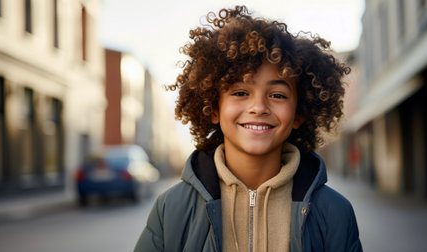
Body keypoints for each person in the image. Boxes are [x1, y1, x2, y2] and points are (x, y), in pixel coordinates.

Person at [134, 5, 362, 252]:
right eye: (241, 92)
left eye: (277, 94)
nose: (258, 107)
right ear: (213, 108)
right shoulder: (171, 209)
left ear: (299, 113)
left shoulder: (335, 212)